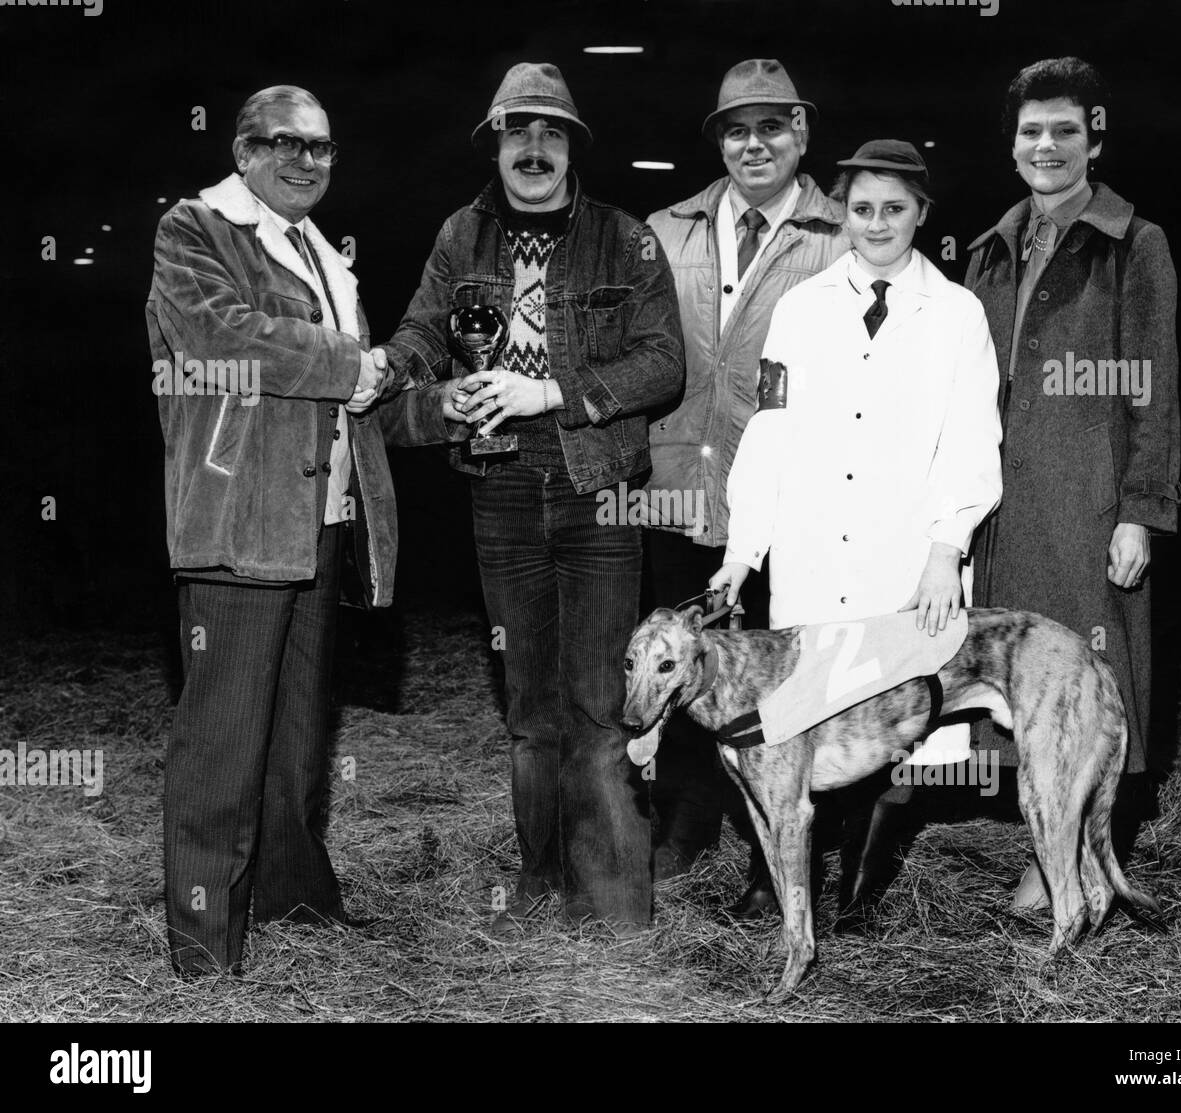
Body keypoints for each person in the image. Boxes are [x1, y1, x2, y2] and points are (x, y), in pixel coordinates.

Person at [375, 63, 685, 936]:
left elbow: (664, 363)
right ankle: (543, 888)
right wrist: (395, 377)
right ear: (498, 144)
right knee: (527, 712)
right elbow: (424, 332)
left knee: (599, 704)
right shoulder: (459, 236)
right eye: (519, 132)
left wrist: (548, 391)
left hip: (600, 496)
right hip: (499, 490)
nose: (535, 148)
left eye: (552, 132)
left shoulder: (625, 240)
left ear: (573, 146)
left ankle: (616, 907)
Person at [146, 85, 432, 975]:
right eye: (283, 143)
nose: (305, 161)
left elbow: (362, 399)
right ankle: (203, 948)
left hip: (322, 519)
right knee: (222, 742)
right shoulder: (195, 231)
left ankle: (294, 893)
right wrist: (359, 362)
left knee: (300, 739)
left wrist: (437, 405)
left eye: (321, 147)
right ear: (242, 152)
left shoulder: (319, 253)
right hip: (240, 519)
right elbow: (222, 336)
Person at [711, 140, 1003, 926]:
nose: (877, 224)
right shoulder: (801, 307)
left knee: (888, 717)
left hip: (903, 557)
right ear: (841, 211)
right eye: (862, 208)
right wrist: (743, 554)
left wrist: (948, 548)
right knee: (795, 715)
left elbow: (974, 442)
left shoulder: (957, 313)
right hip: (809, 552)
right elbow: (766, 434)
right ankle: (773, 878)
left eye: (896, 210)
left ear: (923, 214)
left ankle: (858, 892)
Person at [965, 57, 1180, 908]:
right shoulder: (992, 247)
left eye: (1063, 129)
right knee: (1026, 686)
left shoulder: (1136, 245)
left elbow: (1152, 386)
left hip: (1088, 502)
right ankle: (1050, 847)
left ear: (1094, 136)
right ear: (1012, 142)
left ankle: (1087, 857)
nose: (1045, 145)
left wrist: (1141, 511)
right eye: (1030, 131)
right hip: (1006, 509)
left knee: (1095, 679)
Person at [643, 59, 847, 892]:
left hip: (784, 506)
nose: (753, 144)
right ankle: (685, 829)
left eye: (772, 127)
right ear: (718, 141)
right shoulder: (664, 228)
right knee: (686, 673)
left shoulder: (845, 234)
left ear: (801, 133)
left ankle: (782, 862)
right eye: (736, 129)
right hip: (672, 487)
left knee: (778, 685)